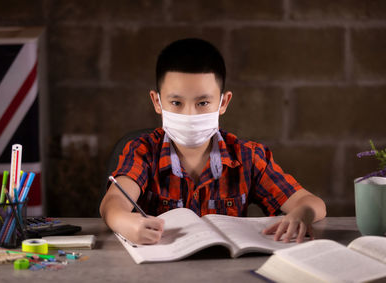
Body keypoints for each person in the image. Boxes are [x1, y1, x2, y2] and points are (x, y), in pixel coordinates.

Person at [100, 38, 326, 245]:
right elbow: (113, 203)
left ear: (223, 102)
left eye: (203, 103)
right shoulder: (143, 151)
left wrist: (302, 213)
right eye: (176, 103)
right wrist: (125, 222)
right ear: (157, 102)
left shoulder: (248, 157)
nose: (190, 114)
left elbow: (312, 202)